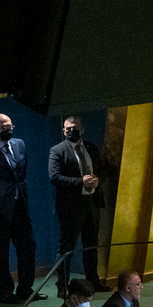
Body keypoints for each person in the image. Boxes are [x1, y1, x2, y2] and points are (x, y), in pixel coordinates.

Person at [0, 111, 39, 305]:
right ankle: (5, 293)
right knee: (0, 253)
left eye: (10, 126)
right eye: (3, 128)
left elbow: (21, 174)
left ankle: (25, 289)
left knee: (28, 247)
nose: (8, 130)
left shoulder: (19, 144)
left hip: (21, 206)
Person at [49, 116, 105, 285]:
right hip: (70, 207)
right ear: (63, 131)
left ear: (83, 129)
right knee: (67, 247)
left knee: (91, 246)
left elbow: (102, 170)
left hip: (92, 204)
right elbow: (54, 177)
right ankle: (63, 285)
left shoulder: (91, 147)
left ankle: (93, 281)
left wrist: (98, 181)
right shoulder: (57, 150)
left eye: (75, 128)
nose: (71, 131)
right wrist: (81, 182)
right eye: (68, 129)